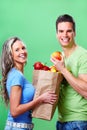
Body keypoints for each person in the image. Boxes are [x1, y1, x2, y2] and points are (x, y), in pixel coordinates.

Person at [1, 37, 57, 130]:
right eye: (17, 50)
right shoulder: (16, 76)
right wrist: (40, 99)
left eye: (23, 48)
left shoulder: (18, 74)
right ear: (10, 55)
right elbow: (14, 111)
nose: (22, 52)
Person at [50, 14, 87, 130]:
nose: (64, 35)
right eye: (61, 31)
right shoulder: (61, 58)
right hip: (61, 121)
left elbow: (86, 90)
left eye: (68, 31)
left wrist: (63, 70)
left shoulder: (83, 55)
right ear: (57, 34)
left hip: (78, 122)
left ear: (74, 33)